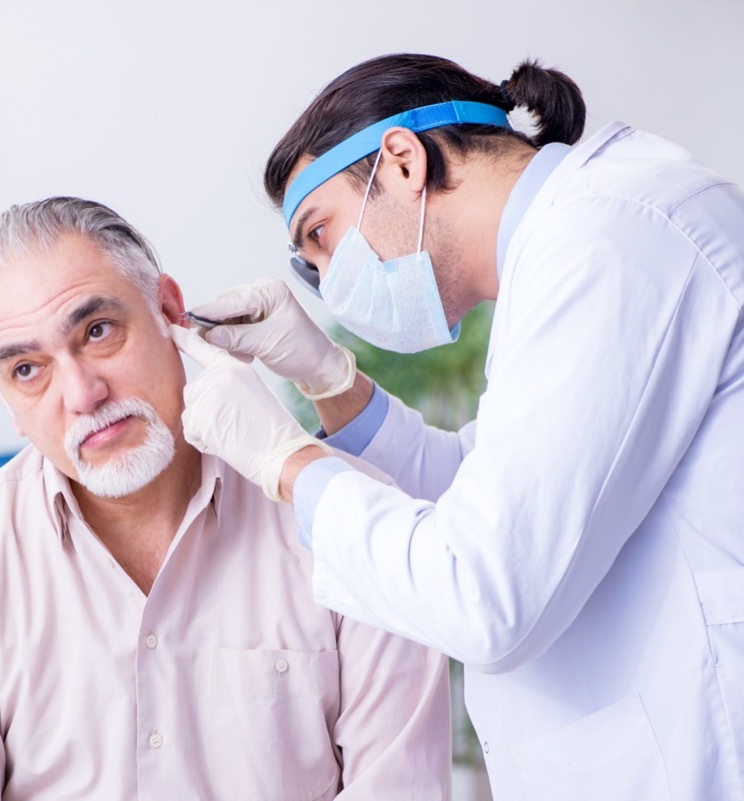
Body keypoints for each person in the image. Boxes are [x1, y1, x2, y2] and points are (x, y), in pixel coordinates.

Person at [174, 53, 744, 801]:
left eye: (322, 235)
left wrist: (286, 461)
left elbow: (484, 593)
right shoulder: (569, 248)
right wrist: (330, 380)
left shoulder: (608, 241)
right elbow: (475, 492)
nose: (328, 284)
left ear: (404, 162)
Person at [0, 196, 453, 800]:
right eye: (27, 370)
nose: (82, 393)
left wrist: (330, 384)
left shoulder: (345, 520)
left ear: (169, 312)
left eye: (97, 332)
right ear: (2, 401)